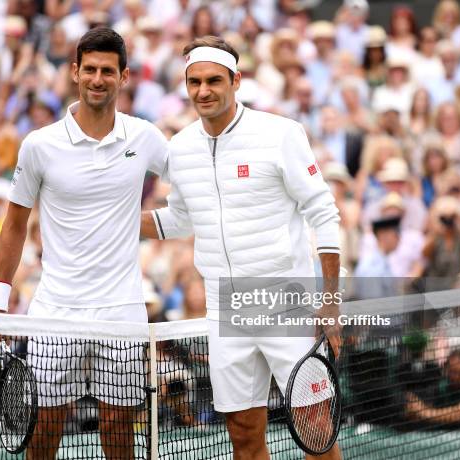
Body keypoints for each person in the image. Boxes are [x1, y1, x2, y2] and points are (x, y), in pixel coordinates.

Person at [140, 36, 342, 460]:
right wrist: (113, 220)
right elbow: (179, 218)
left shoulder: (281, 133)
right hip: (224, 308)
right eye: (194, 82)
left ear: (236, 81)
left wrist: (330, 302)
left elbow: (324, 214)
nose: (203, 91)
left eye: (214, 80)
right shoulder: (179, 148)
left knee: (315, 430)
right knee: (242, 434)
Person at [0, 28, 168, 460]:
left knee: (120, 425)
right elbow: (13, 226)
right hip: (55, 310)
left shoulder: (146, 138)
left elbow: (195, 183)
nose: (98, 79)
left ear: (124, 77)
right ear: (74, 73)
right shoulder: (39, 146)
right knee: (45, 426)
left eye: (108, 71)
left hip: (122, 309)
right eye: (90, 70)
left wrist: (148, 223)